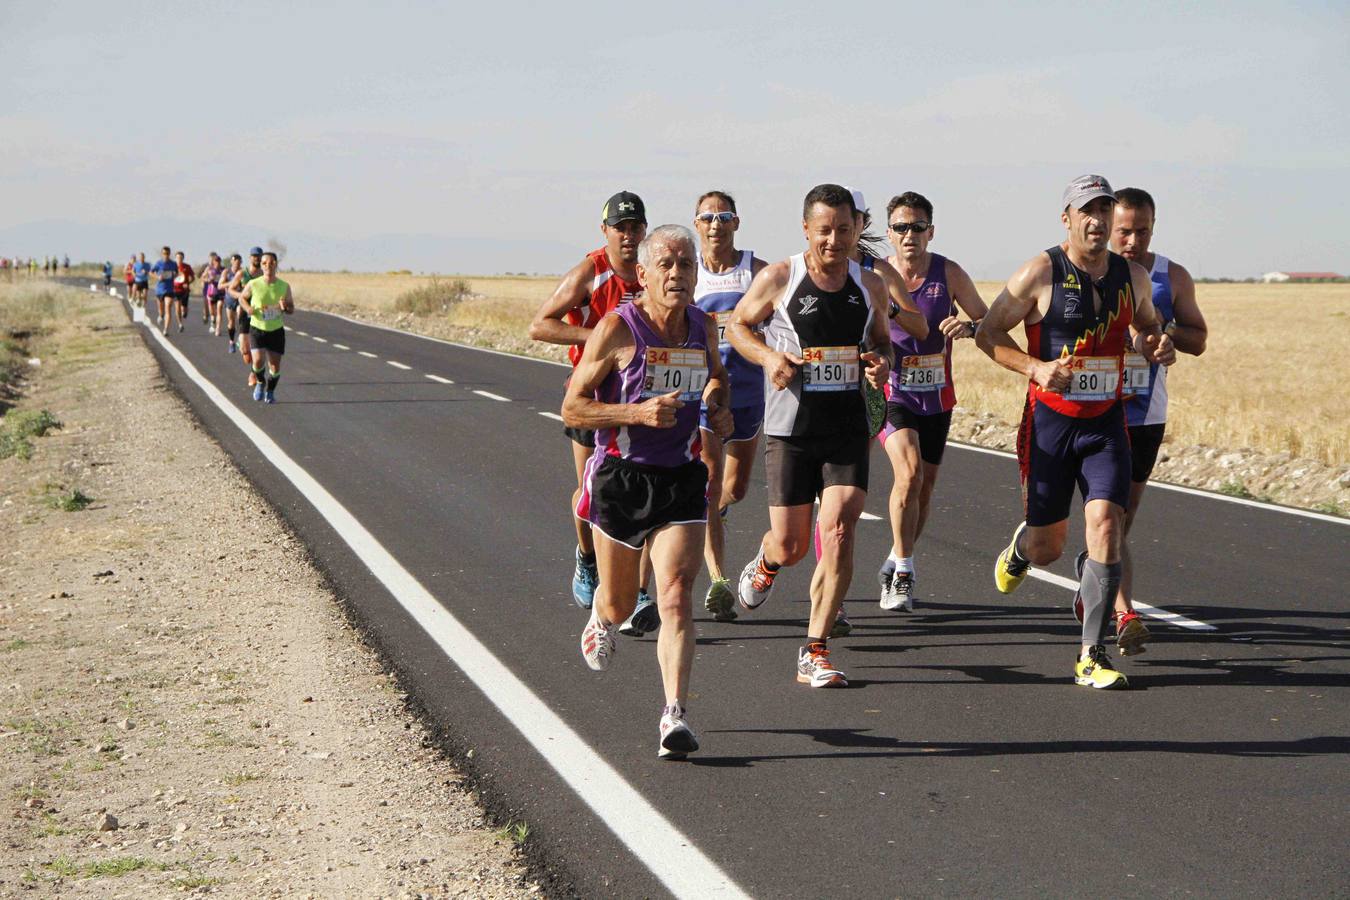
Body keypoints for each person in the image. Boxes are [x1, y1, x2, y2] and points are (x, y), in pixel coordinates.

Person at [976, 175, 1176, 690]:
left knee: (1107, 525)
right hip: (1051, 423)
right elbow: (988, 333)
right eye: (1088, 211)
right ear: (1066, 217)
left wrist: (1155, 345)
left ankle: (1092, 653)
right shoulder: (1040, 271)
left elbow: (1149, 326)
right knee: (1049, 547)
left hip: (1106, 424)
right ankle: (1021, 551)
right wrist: (1035, 368)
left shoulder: (1130, 276)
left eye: (1105, 211)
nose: (1098, 221)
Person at [563, 224, 732, 758]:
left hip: (681, 478)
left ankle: (674, 715)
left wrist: (717, 403)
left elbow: (716, 379)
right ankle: (601, 616)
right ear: (643, 275)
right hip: (621, 477)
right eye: (666, 265)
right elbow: (573, 408)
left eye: (686, 264)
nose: (678, 274)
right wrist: (636, 412)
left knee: (676, 595)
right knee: (615, 606)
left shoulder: (702, 327)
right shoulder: (617, 328)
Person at [727, 184, 894, 689]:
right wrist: (770, 358)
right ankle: (766, 561)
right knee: (793, 543)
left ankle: (815, 648)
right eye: (825, 230)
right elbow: (738, 326)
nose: (834, 240)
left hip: (846, 426)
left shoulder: (871, 286)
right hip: (791, 429)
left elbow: (882, 340)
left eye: (844, 229)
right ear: (807, 229)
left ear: (856, 229)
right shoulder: (781, 277)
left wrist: (880, 362)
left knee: (840, 528)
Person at [528, 192, 659, 635]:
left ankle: (637, 593)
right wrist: (599, 337)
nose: (628, 235)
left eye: (635, 227)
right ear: (604, 230)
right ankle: (587, 558)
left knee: (644, 494)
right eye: (620, 227)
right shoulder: (592, 271)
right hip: (590, 399)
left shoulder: (651, 273)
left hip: (643, 400)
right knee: (592, 495)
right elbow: (540, 324)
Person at [1084, 186, 1207, 655]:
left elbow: (1198, 338)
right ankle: (1124, 614)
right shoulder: (1085, 272)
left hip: (1144, 415)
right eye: (1123, 232)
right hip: (1095, 411)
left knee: (1121, 521)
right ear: (1105, 227)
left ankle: (1095, 572)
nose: (1131, 241)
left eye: (1141, 231)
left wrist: (1162, 331)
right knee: (1110, 517)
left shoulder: (1171, 276)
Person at [876, 192, 987, 612]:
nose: (910, 235)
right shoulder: (877, 275)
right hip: (894, 389)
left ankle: (895, 557)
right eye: (901, 228)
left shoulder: (948, 273)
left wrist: (970, 325)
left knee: (924, 488)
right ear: (889, 234)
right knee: (908, 474)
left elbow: (986, 317)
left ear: (931, 232)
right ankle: (904, 569)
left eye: (918, 227)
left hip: (938, 395)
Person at [690, 191, 767, 621]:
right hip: (705, 393)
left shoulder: (756, 271)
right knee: (710, 478)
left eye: (724, 217)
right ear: (696, 223)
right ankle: (718, 580)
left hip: (749, 393)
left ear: (736, 223)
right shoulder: (689, 273)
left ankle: (713, 513)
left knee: (733, 490)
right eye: (707, 217)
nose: (715, 224)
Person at [235, 251, 294, 403]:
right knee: (257, 361)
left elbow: (291, 309)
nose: (268, 265)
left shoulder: (284, 286)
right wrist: (247, 308)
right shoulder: (254, 284)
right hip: (257, 329)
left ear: (276, 265)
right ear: (261, 265)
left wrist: (285, 306)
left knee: (274, 366)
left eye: (271, 263)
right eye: (264, 263)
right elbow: (242, 298)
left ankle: (271, 391)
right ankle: (260, 383)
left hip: (275, 331)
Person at [227, 248, 265, 383]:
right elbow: (231, 289)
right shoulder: (242, 274)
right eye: (254, 256)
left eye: (259, 256)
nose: (256, 258)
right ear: (250, 258)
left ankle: (253, 374)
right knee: (246, 354)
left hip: (260, 314)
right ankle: (241, 346)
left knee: (259, 348)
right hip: (245, 312)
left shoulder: (264, 275)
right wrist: (241, 296)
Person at [150, 246, 179, 336]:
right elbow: (151, 272)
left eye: (167, 254)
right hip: (160, 290)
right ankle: (161, 315)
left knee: (168, 307)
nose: (165, 255)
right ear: (162, 254)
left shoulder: (173, 264)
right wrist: (158, 277)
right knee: (161, 310)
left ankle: (166, 329)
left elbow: (177, 272)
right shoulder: (158, 263)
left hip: (169, 289)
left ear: (169, 254)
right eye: (164, 254)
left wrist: (174, 275)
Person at [221, 253, 244, 352]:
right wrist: (232, 283)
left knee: (241, 318)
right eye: (235, 262)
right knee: (231, 323)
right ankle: (231, 342)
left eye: (238, 262)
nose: (236, 264)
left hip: (240, 298)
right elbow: (219, 285)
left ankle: (240, 339)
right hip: (229, 299)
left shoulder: (243, 272)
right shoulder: (226, 272)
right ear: (231, 262)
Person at [173, 250, 194, 332]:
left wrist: (188, 283)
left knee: (184, 310)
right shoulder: (172, 267)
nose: (179, 259)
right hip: (175, 289)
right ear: (175, 258)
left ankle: (185, 312)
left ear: (183, 258)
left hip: (185, 290)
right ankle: (180, 324)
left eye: (181, 258)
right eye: (178, 257)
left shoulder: (187, 267)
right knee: (177, 307)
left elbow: (192, 277)